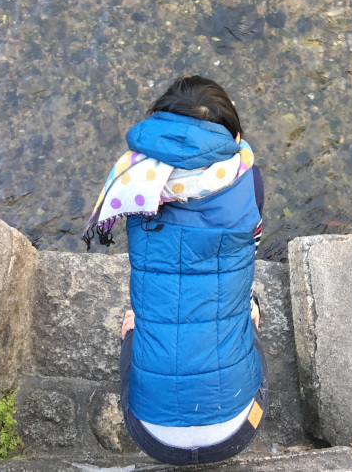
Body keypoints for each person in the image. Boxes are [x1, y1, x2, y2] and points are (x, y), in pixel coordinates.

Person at [82, 75, 268, 465]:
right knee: (244, 314)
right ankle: (248, 318)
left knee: (137, 324)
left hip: (151, 434)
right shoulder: (248, 179)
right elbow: (249, 246)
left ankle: (133, 330)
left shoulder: (134, 184)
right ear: (232, 136)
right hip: (239, 429)